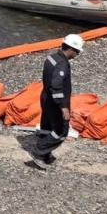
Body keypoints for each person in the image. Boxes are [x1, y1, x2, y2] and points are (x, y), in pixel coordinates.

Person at [32, 34, 84, 168]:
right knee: (61, 131)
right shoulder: (62, 64)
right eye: (77, 51)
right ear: (71, 49)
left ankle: (45, 153)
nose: (77, 54)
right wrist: (63, 107)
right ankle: (39, 152)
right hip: (56, 102)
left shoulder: (52, 57)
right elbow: (56, 85)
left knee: (47, 127)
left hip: (46, 98)